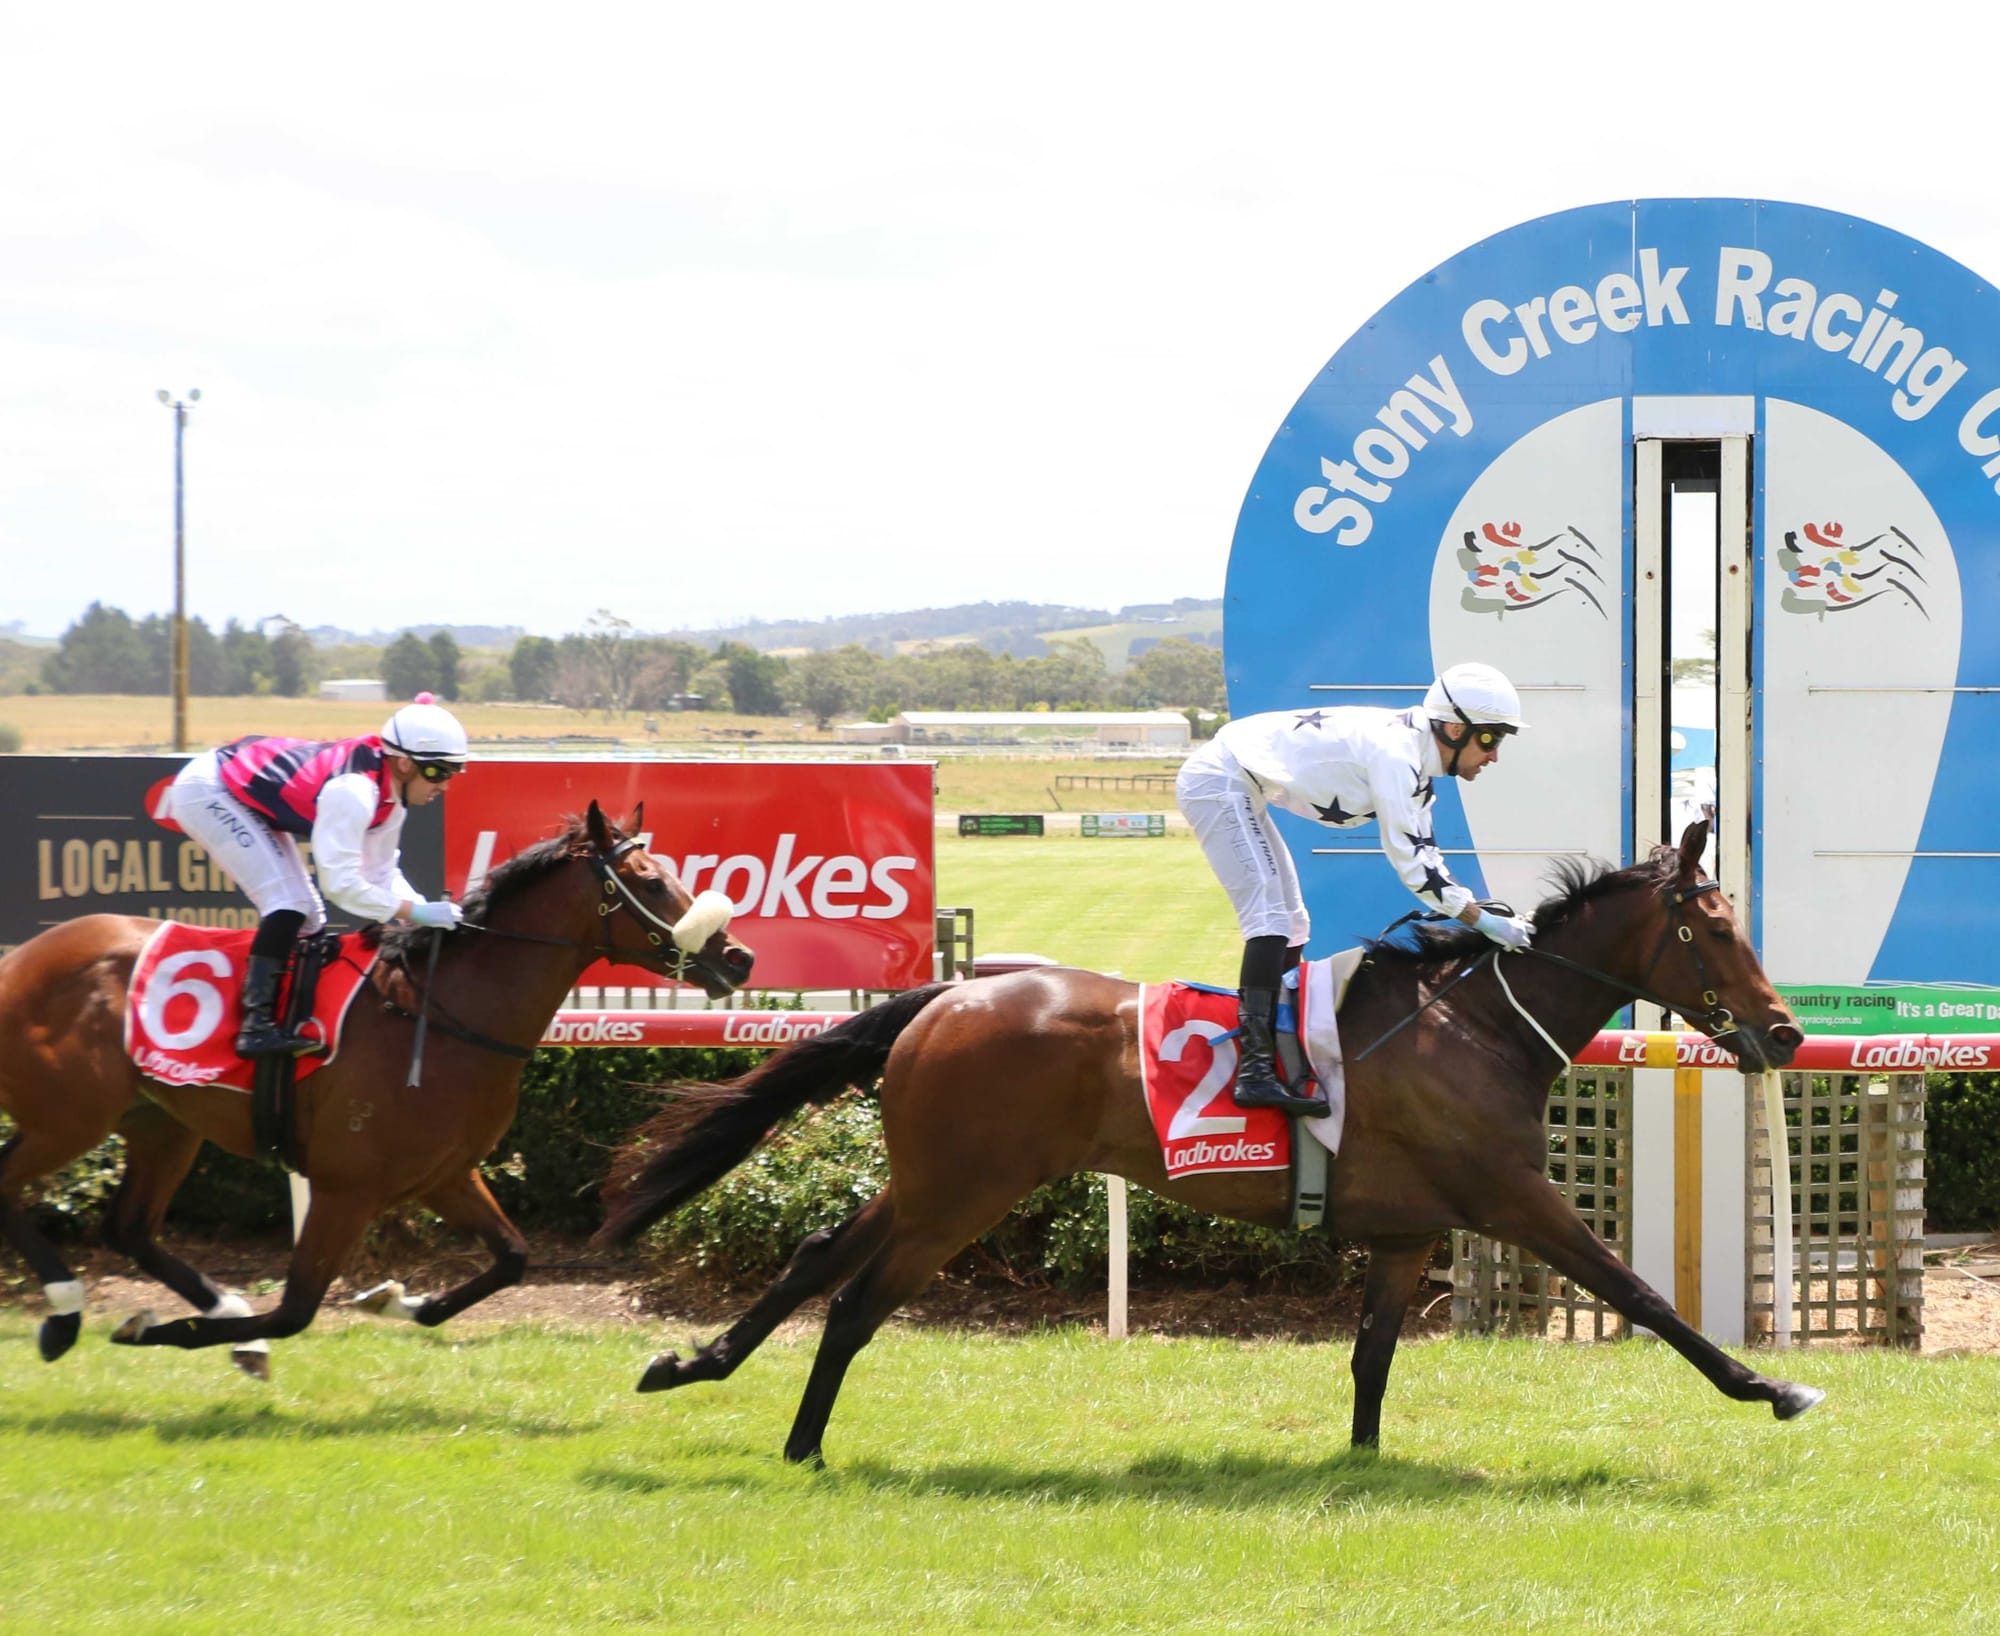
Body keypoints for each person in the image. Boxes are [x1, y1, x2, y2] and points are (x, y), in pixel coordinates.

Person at [1175, 661, 1534, 1115]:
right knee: (1269, 917)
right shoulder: (1398, 757)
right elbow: (1417, 874)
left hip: (1240, 782)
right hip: (1218, 779)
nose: (1494, 754)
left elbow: (1429, 862)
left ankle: (1284, 1046)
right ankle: (1255, 1071)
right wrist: (1484, 922)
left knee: (1293, 921)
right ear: (1451, 728)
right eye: (1490, 737)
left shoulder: (1417, 765)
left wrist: (1482, 915)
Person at [167, 693, 470, 1056]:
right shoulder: (354, 792)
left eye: (453, 772)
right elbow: (341, 886)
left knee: (310, 919)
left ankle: (288, 1016)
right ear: (403, 763)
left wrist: (422, 913)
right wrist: (416, 914)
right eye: (437, 771)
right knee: (289, 903)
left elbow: (380, 874)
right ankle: (255, 1027)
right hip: (209, 789)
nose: (445, 785)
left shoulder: (392, 801)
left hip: (245, 787)